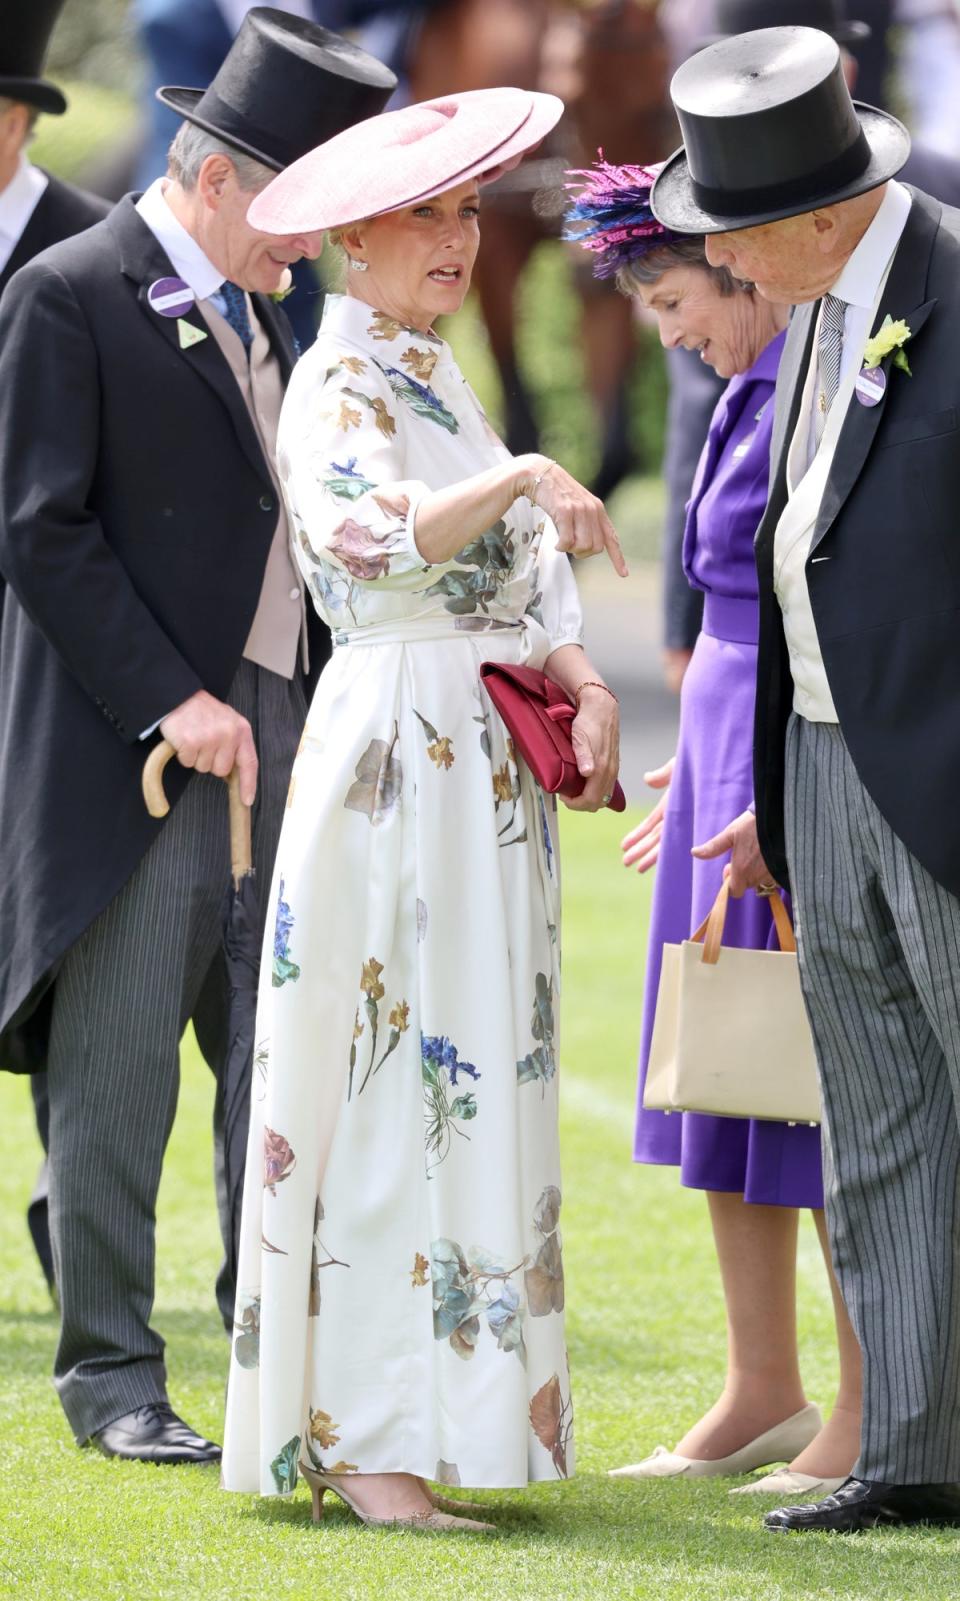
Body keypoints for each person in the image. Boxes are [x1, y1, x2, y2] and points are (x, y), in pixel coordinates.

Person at [221, 87, 625, 1530]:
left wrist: (582, 676)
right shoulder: (340, 378)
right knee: (397, 1071)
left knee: (470, 1072)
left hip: (480, 756)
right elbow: (362, 530)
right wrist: (520, 470)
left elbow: (528, 565)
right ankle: (369, 1441)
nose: (457, 240)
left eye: (466, 212)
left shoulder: (438, 371)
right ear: (352, 239)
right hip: (395, 742)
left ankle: (446, 1420)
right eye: (426, 215)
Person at [0, 8, 396, 1466]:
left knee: (273, 1063)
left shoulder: (263, 305)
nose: (303, 256)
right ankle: (111, 1375)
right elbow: (40, 536)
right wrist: (175, 700)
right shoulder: (68, 291)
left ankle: (267, 1360)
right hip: (139, 755)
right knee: (113, 1086)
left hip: (283, 731)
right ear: (212, 173)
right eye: (291, 222)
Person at [652, 22, 960, 1532]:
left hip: (945, 774)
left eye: (730, 243)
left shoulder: (951, 284)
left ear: (812, 219)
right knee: (881, 1119)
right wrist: (774, 794)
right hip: (822, 774)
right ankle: (915, 1449)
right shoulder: (818, 305)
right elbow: (792, 562)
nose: (722, 275)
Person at [566, 156, 862, 1498]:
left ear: (740, 269)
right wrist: (698, 759)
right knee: (723, 1067)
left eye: (675, 298)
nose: (666, 330)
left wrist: (767, 780)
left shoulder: (817, 379)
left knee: (825, 1086)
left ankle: (869, 1400)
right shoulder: (738, 384)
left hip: (795, 754)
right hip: (726, 748)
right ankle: (762, 1387)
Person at [0, 0, 110, 1300]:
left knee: (50, 930)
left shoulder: (96, 254)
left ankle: (58, 1194)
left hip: (51, 653)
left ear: (17, 120)